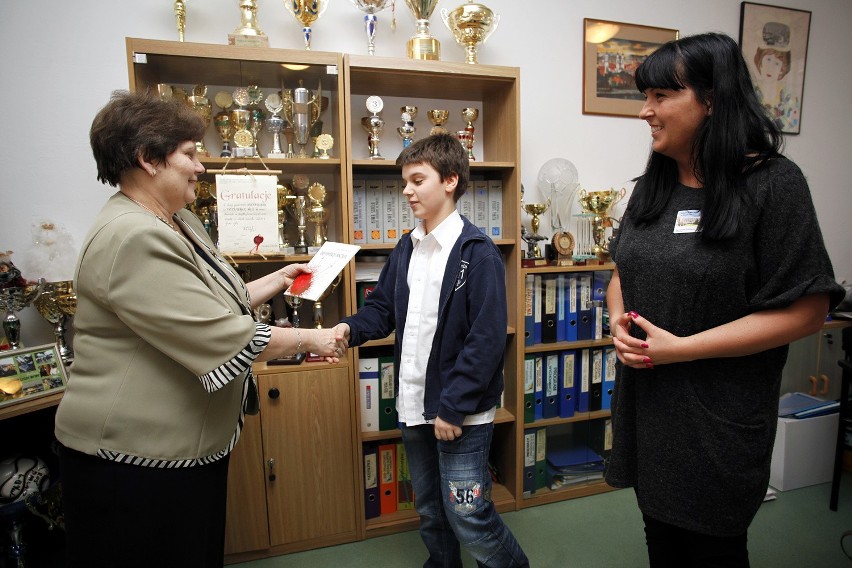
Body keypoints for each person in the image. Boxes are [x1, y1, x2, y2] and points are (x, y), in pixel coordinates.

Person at [54, 90, 345, 567]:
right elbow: (221, 336)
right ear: (148, 159)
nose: (200, 167)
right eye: (188, 154)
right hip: (131, 463)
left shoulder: (176, 220)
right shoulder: (133, 236)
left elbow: (206, 306)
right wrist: (313, 338)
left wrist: (275, 280)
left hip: (179, 450)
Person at [604, 32, 845, 568]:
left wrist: (683, 349)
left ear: (712, 100)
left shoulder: (773, 185)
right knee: (661, 542)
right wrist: (618, 318)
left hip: (717, 418)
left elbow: (808, 308)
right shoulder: (656, 184)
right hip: (650, 407)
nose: (646, 112)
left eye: (661, 96)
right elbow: (624, 266)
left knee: (712, 549)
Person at [332, 134, 529, 568]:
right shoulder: (407, 247)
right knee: (430, 511)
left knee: (468, 513)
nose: (406, 191)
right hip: (414, 406)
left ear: (450, 181)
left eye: (417, 180)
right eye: (405, 181)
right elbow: (381, 310)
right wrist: (346, 330)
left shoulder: (477, 254)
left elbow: (487, 339)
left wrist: (453, 407)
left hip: (457, 414)